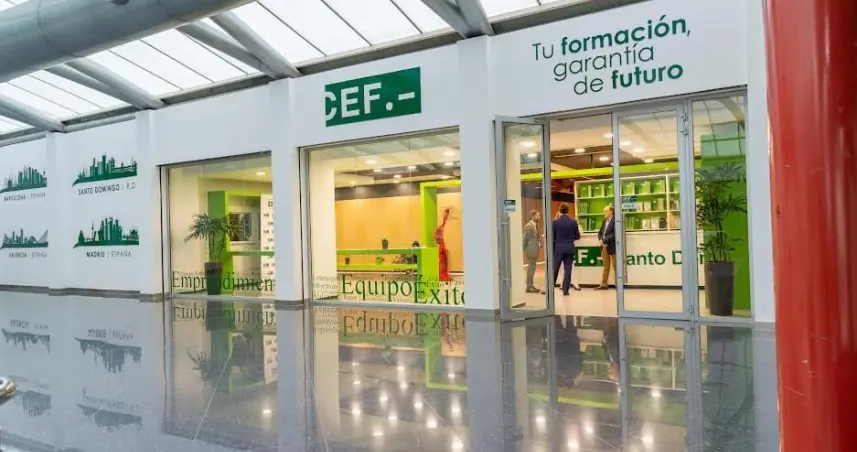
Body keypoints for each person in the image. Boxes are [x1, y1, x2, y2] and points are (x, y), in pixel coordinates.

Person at [552, 204, 581, 296]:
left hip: (558, 249)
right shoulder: (573, 222)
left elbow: (552, 236)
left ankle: (550, 288)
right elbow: (577, 236)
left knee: (555, 269)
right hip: (569, 248)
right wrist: (570, 239)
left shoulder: (555, 222)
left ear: (559, 210)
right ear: (568, 210)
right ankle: (566, 290)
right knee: (568, 269)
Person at [596, 206, 617, 290]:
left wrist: (604, 240)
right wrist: (601, 240)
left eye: (605, 211)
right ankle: (604, 284)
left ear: (611, 211)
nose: (604, 213)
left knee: (616, 266)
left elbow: (615, 233)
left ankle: (618, 284)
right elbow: (600, 232)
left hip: (613, 246)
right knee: (606, 266)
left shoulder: (616, 220)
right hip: (604, 246)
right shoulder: (604, 220)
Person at [522, 210, 541, 293]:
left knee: (532, 268)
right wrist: (524, 250)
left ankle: (531, 285)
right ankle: (529, 286)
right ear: (533, 216)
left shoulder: (534, 225)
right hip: (530, 250)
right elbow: (525, 239)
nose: (539, 217)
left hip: (534, 249)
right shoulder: (529, 226)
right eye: (537, 216)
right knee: (531, 269)